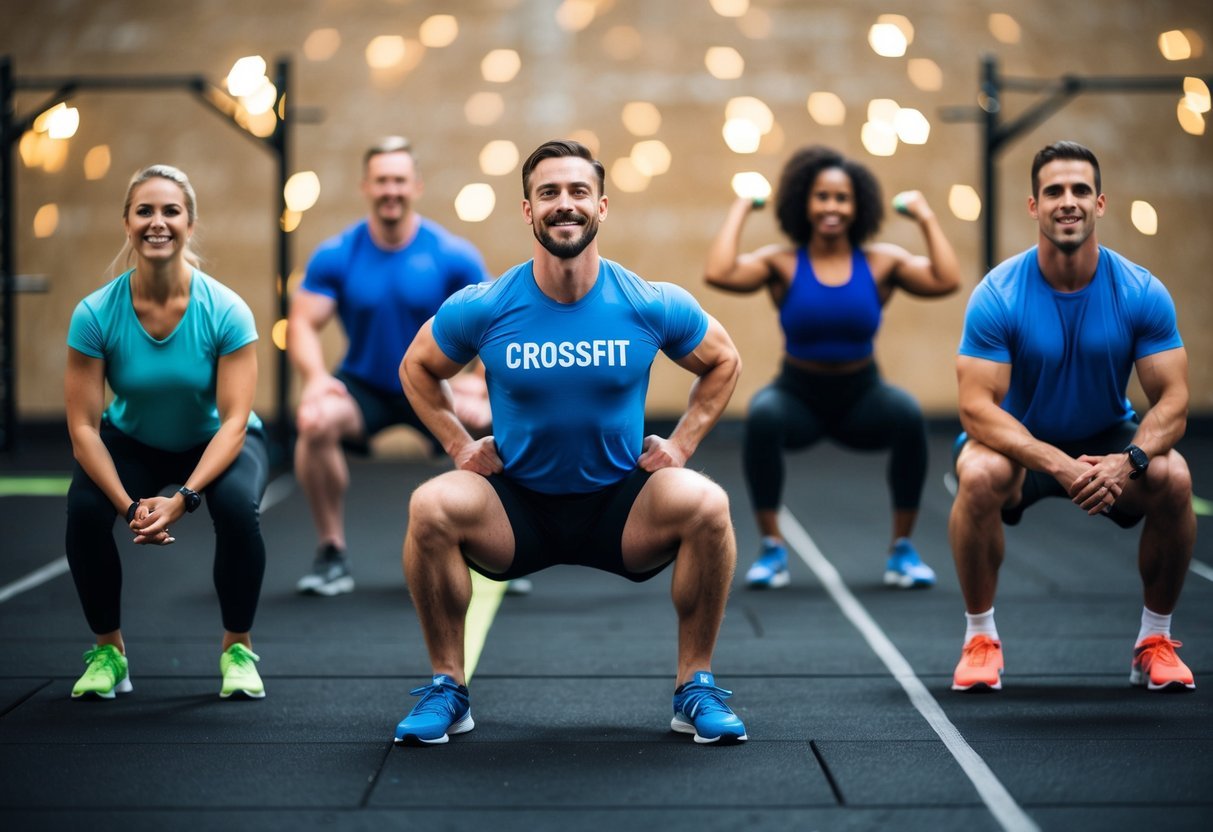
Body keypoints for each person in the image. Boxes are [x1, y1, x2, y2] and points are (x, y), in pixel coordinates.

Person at [394, 139, 748, 746]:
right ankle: (447, 687)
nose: (565, 204)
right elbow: (416, 368)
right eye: (549, 193)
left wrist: (683, 444)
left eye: (578, 192)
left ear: (601, 207)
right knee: (430, 506)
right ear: (528, 211)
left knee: (708, 505)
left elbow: (723, 360)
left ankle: (695, 685)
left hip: (620, 506)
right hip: (517, 507)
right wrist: (458, 445)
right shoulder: (487, 305)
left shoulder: (646, 300)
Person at [949, 141, 1196, 693]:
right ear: (1033, 206)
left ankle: (1154, 641)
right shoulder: (998, 293)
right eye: (1054, 191)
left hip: (1109, 439)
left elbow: (1174, 403)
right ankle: (979, 637)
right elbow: (975, 409)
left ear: (1100, 203)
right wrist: (1056, 463)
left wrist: (1129, 459)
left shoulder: (1140, 291)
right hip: (1023, 443)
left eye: (1080, 190)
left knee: (1174, 477)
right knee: (980, 474)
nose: (1068, 202)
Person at [704, 145, 961, 590]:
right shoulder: (781, 261)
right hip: (797, 395)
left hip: (863, 395)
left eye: (841, 198)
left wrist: (925, 217)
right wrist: (742, 207)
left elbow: (946, 279)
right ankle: (772, 548)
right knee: (762, 415)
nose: (831, 207)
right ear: (804, 202)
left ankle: (902, 549)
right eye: (822, 196)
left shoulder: (882, 261)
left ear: (857, 206)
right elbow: (719, 271)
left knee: (907, 417)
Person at [64, 164, 269, 700]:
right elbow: (85, 427)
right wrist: (129, 505)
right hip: (132, 440)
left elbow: (232, 423)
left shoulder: (226, 310)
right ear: (127, 224)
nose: (158, 222)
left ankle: (237, 648)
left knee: (238, 508)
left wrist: (184, 497)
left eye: (171, 211)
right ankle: (110, 652)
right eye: (145, 211)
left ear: (190, 224)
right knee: (86, 512)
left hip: (217, 442)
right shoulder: (94, 314)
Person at [288, 136, 496, 596]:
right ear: (366, 185)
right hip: (366, 386)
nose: (391, 190)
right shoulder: (337, 254)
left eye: (399, 180)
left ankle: (491, 550)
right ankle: (331, 553)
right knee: (314, 421)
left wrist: (480, 383)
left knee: (491, 424)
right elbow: (302, 322)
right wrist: (317, 381)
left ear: (416, 186)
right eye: (382, 180)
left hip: (435, 383)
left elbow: (498, 325)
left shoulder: (452, 254)